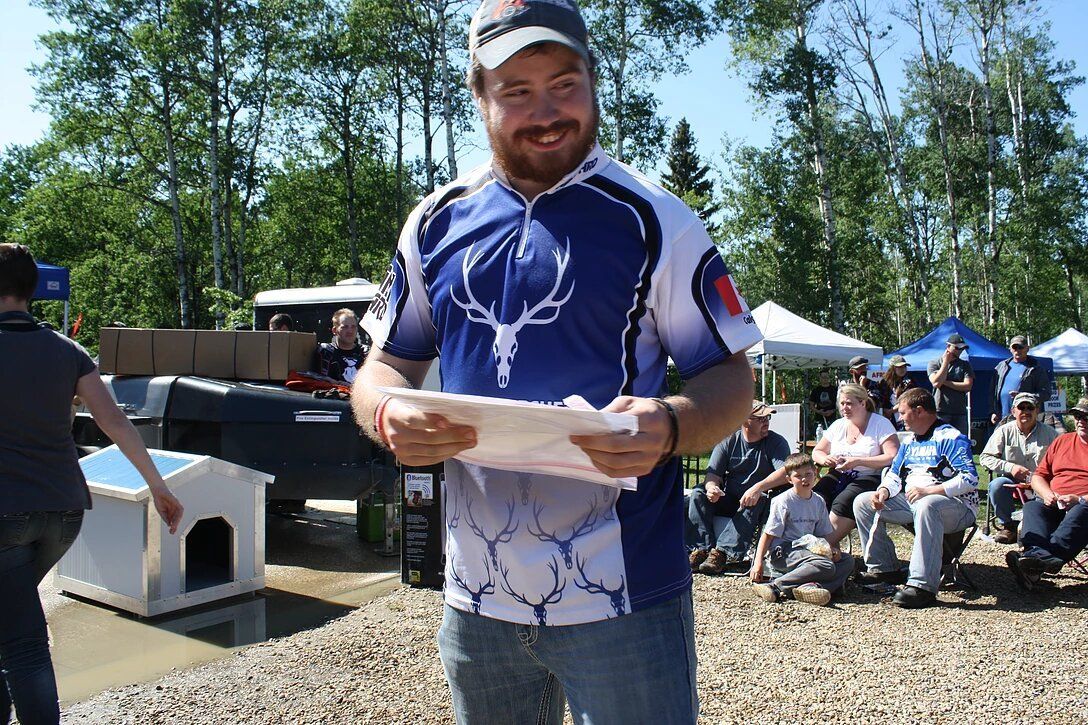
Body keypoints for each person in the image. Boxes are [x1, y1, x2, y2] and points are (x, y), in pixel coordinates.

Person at [350, 1, 762, 721]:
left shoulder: (656, 219)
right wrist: (387, 412)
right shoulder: (435, 222)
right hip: (476, 605)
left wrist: (667, 424)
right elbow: (381, 368)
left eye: (564, 83)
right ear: (479, 96)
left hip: (625, 602)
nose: (546, 111)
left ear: (594, 81)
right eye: (516, 91)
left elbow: (731, 378)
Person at [0, 243, 184, 725]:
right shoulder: (67, 351)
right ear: (32, 290)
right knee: (9, 617)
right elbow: (115, 423)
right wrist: (159, 487)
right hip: (62, 513)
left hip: (5, 514)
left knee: (23, 644)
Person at [853, 388, 979, 609]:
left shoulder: (950, 437)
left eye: (903, 413)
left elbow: (970, 479)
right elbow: (894, 474)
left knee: (927, 505)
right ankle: (884, 569)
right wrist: (883, 491)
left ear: (919, 411)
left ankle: (922, 587)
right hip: (916, 503)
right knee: (863, 502)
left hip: (957, 507)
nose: (900, 418)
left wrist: (931, 491)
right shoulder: (910, 442)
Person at [687, 402, 790, 575]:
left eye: (767, 418)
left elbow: (785, 471)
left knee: (759, 498)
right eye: (760, 418)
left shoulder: (775, 442)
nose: (766, 422)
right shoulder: (729, 441)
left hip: (755, 500)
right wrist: (712, 487)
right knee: (698, 493)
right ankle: (700, 549)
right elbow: (713, 473)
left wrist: (757, 488)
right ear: (744, 421)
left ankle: (721, 554)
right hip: (729, 496)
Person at [1005, 397, 1088, 590]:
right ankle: (1038, 560)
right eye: (1077, 415)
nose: (1080, 420)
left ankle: (1036, 561)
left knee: (1081, 510)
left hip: (1083, 505)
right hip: (1055, 502)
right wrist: (1047, 493)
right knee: (1033, 506)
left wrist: (1079, 499)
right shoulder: (1063, 441)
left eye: (1086, 416)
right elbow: (1038, 476)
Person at [749, 453, 854, 606]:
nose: (804, 479)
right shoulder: (783, 501)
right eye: (798, 476)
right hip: (784, 552)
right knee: (826, 565)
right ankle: (776, 585)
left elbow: (825, 534)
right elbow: (768, 535)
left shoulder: (818, 501)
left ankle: (810, 588)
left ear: (815, 474)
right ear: (789, 479)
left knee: (847, 561)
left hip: (809, 551)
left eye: (808, 474)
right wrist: (757, 563)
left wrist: (833, 550)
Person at [811, 383, 899, 546]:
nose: (844, 408)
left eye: (849, 403)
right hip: (839, 473)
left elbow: (892, 456)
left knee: (843, 501)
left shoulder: (881, 424)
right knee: (816, 497)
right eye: (842, 403)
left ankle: (820, 547)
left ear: (863, 403)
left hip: (870, 475)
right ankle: (806, 541)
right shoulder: (838, 425)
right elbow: (817, 451)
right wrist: (825, 459)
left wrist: (858, 461)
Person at [979, 392, 1059, 544]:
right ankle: (1009, 526)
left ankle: (1037, 529)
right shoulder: (1004, 431)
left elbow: (1062, 460)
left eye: (1030, 408)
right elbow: (985, 457)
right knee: (996, 485)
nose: (1026, 411)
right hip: (1011, 479)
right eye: (1022, 407)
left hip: (1041, 481)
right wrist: (1010, 467)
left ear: (1037, 411)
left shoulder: (1051, 434)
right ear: (1013, 411)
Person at [990, 335, 1052, 425]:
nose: (1017, 350)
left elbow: (1046, 394)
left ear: (1027, 348)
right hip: (1003, 418)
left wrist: (1024, 396)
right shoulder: (1001, 366)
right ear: (1010, 349)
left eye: (1020, 347)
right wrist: (993, 412)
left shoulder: (1036, 368)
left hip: (1026, 418)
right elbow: (992, 392)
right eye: (1014, 347)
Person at [927, 333, 974, 436]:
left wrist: (944, 382)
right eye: (957, 348)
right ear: (948, 346)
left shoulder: (965, 365)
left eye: (962, 349)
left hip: (960, 412)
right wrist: (945, 362)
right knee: (941, 441)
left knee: (961, 441)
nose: (960, 351)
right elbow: (935, 383)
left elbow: (967, 386)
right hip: (940, 411)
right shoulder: (934, 363)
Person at [317, 308, 366, 384]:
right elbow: (321, 379)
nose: (350, 331)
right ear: (334, 330)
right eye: (345, 327)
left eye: (353, 327)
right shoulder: (326, 351)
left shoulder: (365, 352)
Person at [875, 354, 916, 429]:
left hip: (905, 418)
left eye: (904, 366)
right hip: (887, 419)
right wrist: (883, 410)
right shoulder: (883, 382)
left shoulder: (909, 381)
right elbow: (878, 398)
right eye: (899, 367)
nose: (903, 369)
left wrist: (891, 411)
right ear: (892, 368)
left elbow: (907, 400)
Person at [807, 370, 837, 436]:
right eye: (823, 377)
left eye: (826, 377)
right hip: (819, 420)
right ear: (820, 378)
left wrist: (832, 411)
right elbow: (811, 405)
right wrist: (818, 411)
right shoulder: (816, 390)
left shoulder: (835, 390)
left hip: (833, 419)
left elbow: (840, 404)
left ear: (829, 378)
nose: (825, 379)